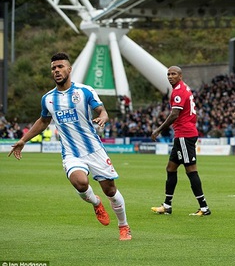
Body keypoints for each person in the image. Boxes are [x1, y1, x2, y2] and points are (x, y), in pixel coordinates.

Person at [8, 52, 131, 240]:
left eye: (60, 67)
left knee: (110, 190)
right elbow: (43, 121)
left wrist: (103, 118)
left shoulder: (84, 91)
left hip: (94, 149)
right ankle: (96, 203)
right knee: (80, 183)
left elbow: (101, 110)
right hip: (71, 153)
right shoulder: (47, 99)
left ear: (69, 69)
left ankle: (124, 226)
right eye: (53, 68)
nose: (56, 71)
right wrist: (23, 140)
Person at [151, 66, 211, 216]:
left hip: (185, 134)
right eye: (168, 74)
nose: (170, 76)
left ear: (180, 75)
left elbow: (175, 114)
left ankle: (204, 208)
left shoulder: (178, 91)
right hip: (182, 135)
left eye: (174, 74)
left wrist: (159, 129)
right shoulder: (183, 88)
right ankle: (167, 205)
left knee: (191, 170)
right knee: (170, 168)